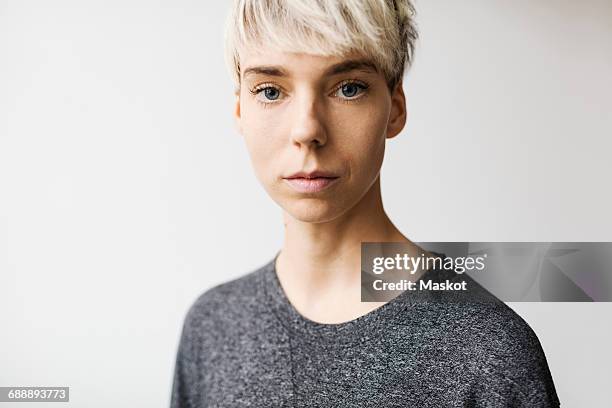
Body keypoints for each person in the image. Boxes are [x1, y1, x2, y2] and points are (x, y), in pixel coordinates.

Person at [170, 0, 560, 406]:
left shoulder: (489, 352)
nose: (307, 129)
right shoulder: (212, 328)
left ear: (395, 108)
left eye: (348, 88)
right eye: (270, 91)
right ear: (239, 111)